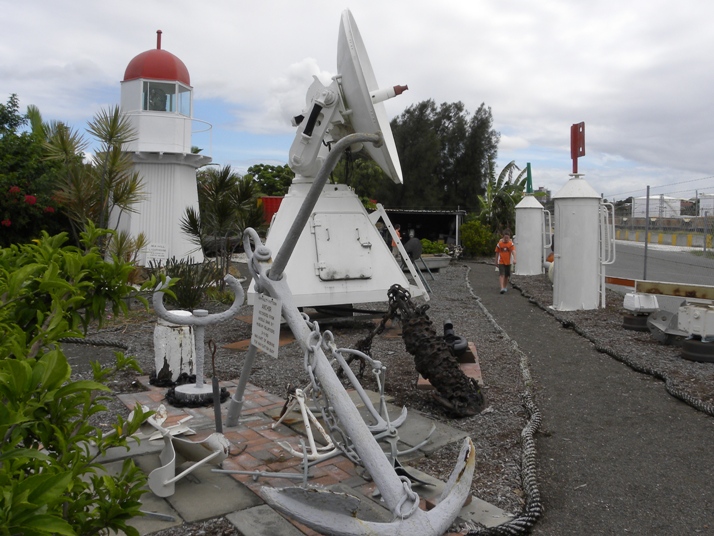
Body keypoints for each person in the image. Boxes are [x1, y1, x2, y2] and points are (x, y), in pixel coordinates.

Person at [495, 229, 516, 294]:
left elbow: (513, 251)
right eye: (505, 237)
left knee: (507, 275)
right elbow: (497, 253)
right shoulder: (499, 244)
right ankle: (501, 288)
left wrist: (515, 259)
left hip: (508, 262)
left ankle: (505, 286)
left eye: (508, 237)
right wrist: (496, 261)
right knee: (502, 274)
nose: (506, 239)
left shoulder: (510, 244)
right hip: (501, 261)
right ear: (503, 237)